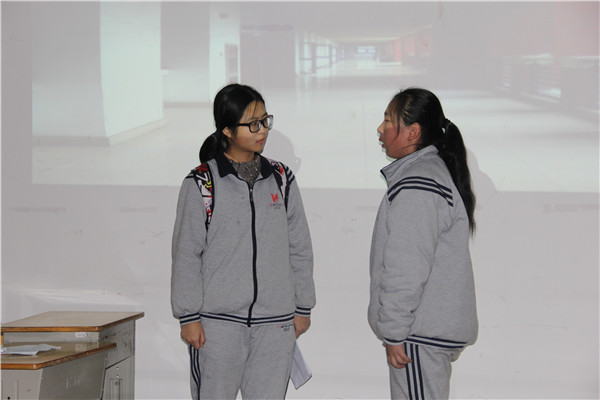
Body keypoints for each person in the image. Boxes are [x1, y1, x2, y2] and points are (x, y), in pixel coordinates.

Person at [171, 83, 316, 400]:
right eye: (252, 124)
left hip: (275, 324)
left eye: (265, 120)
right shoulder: (202, 183)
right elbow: (186, 254)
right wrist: (189, 315)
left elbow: (300, 248)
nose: (262, 130)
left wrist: (303, 306)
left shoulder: (282, 178)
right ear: (227, 129)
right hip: (217, 326)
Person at [368, 88, 478, 399]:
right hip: (424, 333)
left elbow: (407, 266)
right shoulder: (429, 174)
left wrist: (394, 331)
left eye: (388, 120)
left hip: (418, 334)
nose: (380, 128)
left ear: (413, 132)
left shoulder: (419, 183)